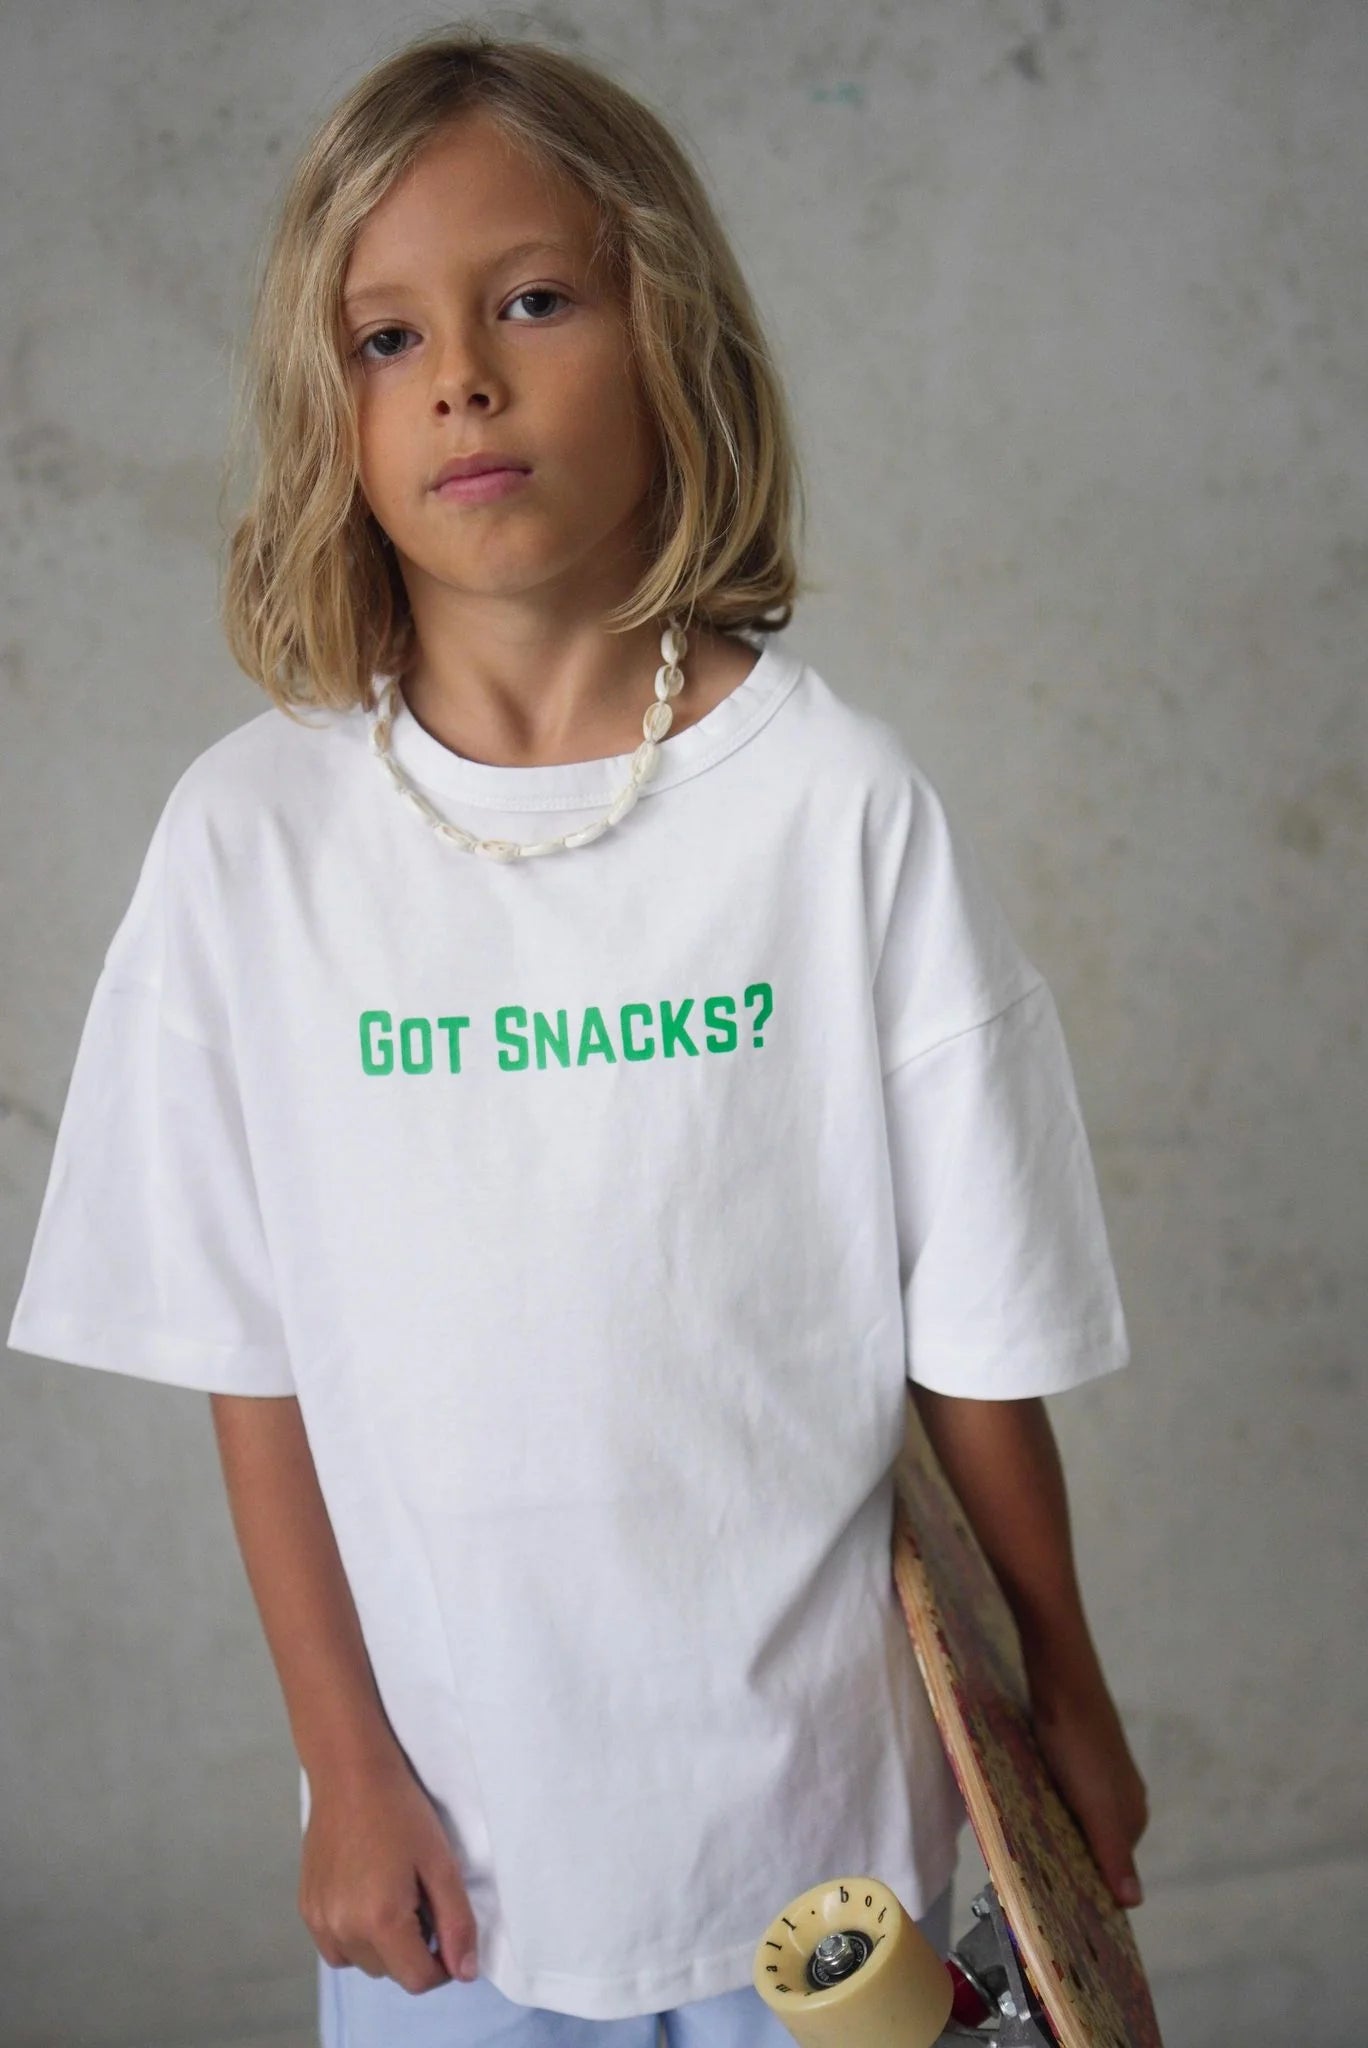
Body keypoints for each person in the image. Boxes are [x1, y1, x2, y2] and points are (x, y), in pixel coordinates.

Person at [5, 26, 1148, 2048]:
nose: (460, 373)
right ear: (328, 407)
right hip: (455, 1868)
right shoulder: (252, 847)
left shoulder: (834, 809)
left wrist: (1063, 1689)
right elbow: (250, 1361)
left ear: (672, 335)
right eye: (384, 338)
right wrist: (346, 1765)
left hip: (831, 1851)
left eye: (532, 299)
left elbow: (974, 1343)